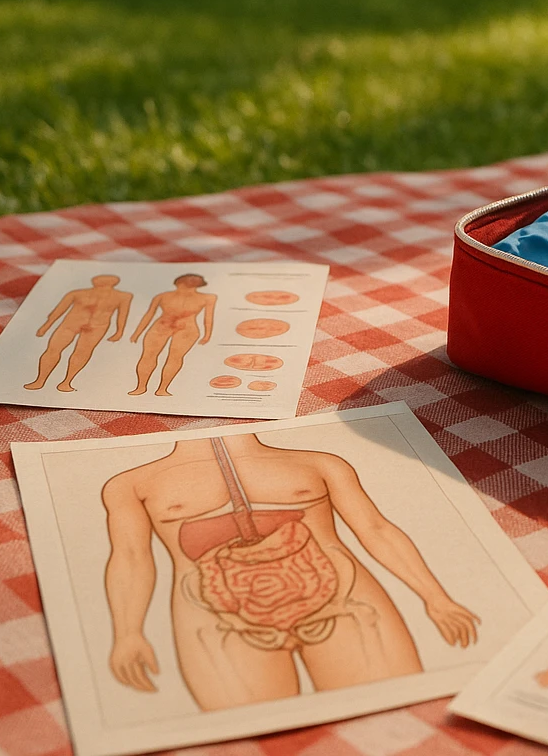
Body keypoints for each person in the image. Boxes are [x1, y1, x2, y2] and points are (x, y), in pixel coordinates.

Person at [101, 432, 479, 711]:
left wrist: (436, 597)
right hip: (216, 618)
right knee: (248, 737)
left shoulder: (320, 463)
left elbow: (375, 528)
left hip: (343, 602)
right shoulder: (130, 485)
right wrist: (127, 632)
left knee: (399, 713)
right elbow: (131, 557)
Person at [24, 274, 132, 392]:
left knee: (82, 352)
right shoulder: (77, 293)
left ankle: (66, 382)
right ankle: (40, 381)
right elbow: (59, 310)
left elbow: (122, 314)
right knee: (53, 349)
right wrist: (46, 326)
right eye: (101, 280)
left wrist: (119, 331)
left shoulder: (123, 296)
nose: (104, 282)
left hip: (97, 326)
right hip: (71, 324)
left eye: (107, 281)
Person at [128, 273, 216, 396]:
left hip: (186, 329)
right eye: (188, 281)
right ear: (178, 282)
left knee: (175, 357)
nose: (190, 283)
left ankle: (162, 389)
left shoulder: (208, 298)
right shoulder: (162, 296)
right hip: (161, 327)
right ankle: (141, 387)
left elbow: (208, 317)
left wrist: (207, 335)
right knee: (148, 355)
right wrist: (137, 332)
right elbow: (149, 314)